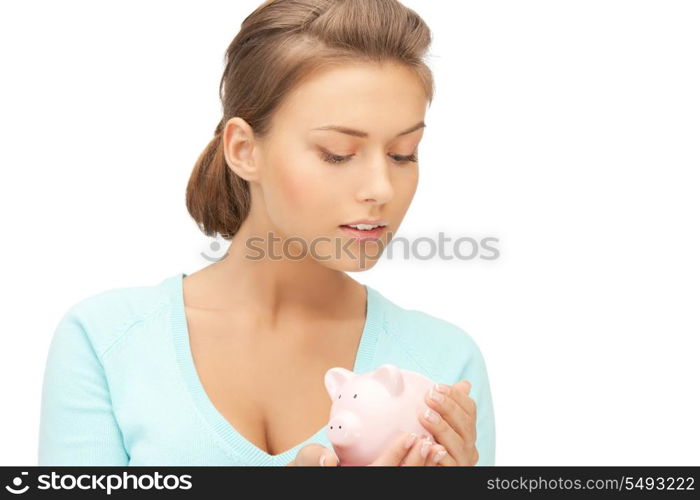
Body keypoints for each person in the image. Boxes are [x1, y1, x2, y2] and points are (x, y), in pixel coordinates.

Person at [38, 0, 495, 467]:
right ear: (244, 150)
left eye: (403, 154)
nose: (381, 188)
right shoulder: (106, 342)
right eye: (337, 153)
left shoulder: (441, 369)